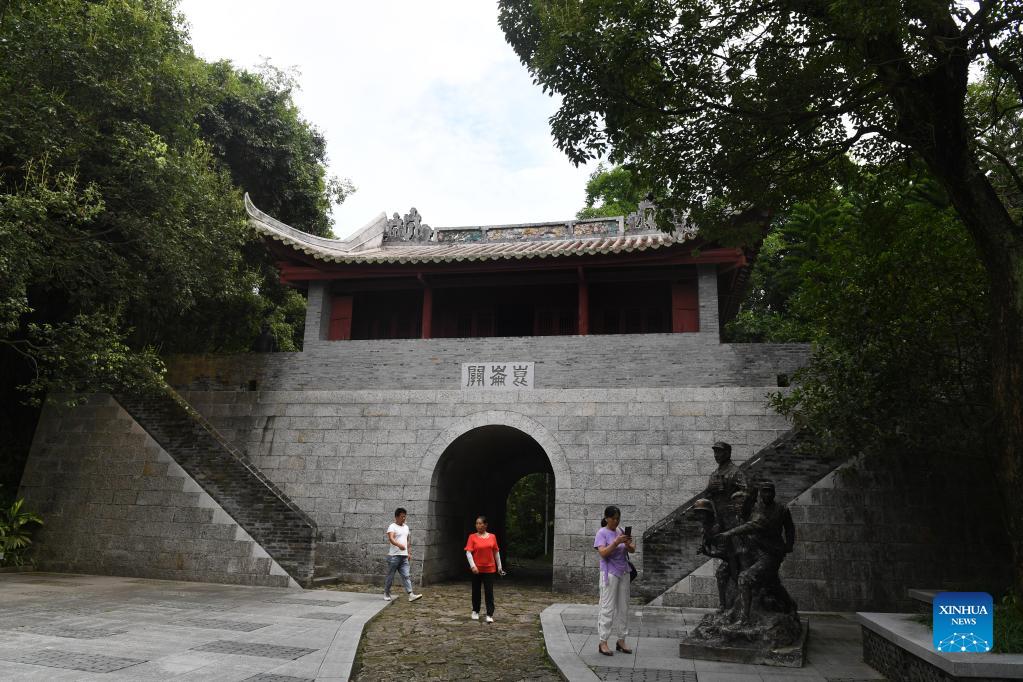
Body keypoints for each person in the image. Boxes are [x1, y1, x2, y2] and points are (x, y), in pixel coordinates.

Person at [719, 480, 796, 624]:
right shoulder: (755, 508)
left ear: (774, 493)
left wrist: (789, 545)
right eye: (764, 491)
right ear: (760, 494)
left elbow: (788, 529)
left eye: (769, 491)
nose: (767, 494)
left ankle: (744, 619)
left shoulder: (779, 510)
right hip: (756, 551)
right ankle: (788, 605)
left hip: (771, 552)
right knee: (772, 583)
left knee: (745, 578)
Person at [593, 505, 636, 656]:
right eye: (613, 518)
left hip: (624, 571)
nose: (616, 521)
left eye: (618, 518)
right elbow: (603, 553)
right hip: (609, 573)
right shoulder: (602, 533)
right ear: (607, 518)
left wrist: (628, 543)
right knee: (608, 607)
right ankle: (603, 641)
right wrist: (616, 542)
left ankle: (621, 640)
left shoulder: (621, 530)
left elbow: (632, 549)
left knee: (624, 607)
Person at [464, 515, 506, 623]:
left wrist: (499, 567)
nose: (478, 525)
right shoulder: (472, 537)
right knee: (476, 591)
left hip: (489, 569)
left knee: (489, 592)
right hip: (477, 569)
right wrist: (473, 566)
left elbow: (496, 552)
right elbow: (468, 552)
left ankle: (489, 614)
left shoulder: (492, 537)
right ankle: (475, 611)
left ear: (485, 525)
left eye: (480, 523)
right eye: (477, 523)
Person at [706, 441, 748, 530]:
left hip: (732, 518)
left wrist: (737, 506)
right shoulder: (714, 474)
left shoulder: (735, 471)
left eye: (719, 452)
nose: (716, 455)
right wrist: (709, 489)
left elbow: (746, 492)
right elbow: (707, 497)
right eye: (715, 452)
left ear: (727, 453)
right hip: (717, 518)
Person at [384, 507, 423, 603]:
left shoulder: (406, 527)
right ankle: (386, 593)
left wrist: (409, 552)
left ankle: (411, 595)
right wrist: (399, 545)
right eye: (402, 517)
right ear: (396, 517)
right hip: (394, 556)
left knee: (406, 575)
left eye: (405, 516)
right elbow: (391, 538)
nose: (404, 518)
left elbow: (408, 540)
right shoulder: (392, 526)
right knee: (390, 576)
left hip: (404, 556)